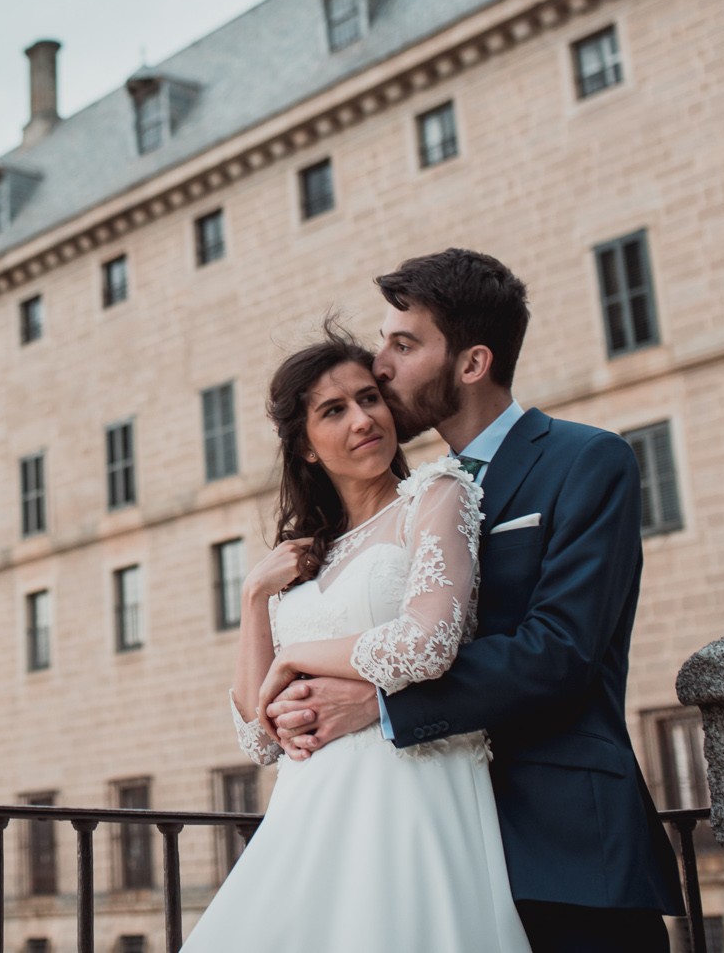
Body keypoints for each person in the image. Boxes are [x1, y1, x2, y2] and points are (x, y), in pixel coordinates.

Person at [264, 248, 685, 953]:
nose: (382, 365)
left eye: (404, 343)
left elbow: (561, 652)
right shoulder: (406, 500)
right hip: (430, 847)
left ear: (471, 363)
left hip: (565, 849)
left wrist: (379, 702)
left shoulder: (587, 461)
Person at [182, 322, 531, 951]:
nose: (362, 418)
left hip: (412, 789)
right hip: (309, 807)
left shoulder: (437, 495)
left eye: (369, 398)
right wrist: (254, 597)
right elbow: (257, 736)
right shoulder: (303, 556)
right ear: (307, 446)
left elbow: (428, 644)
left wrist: (296, 657)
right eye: (334, 410)